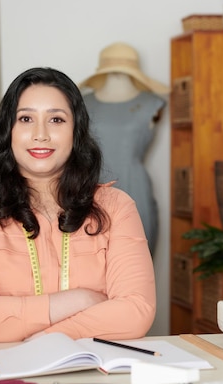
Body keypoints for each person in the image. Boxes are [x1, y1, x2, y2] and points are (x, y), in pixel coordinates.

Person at [0, 67, 156, 343]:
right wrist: (82, 300)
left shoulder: (117, 207)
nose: (40, 134)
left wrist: (33, 332)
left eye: (56, 119)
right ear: (8, 131)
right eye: (26, 118)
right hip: (6, 374)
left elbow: (136, 312)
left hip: (99, 375)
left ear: (76, 132)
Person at [80, 42, 169, 254]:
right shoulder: (83, 104)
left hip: (134, 187)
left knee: (137, 256)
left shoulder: (151, 104)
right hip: (90, 187)